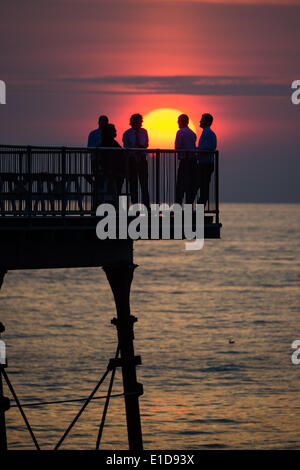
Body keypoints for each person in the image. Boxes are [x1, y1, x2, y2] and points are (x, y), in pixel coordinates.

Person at [94, 124, 125, 206]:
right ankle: (112, 204)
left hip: (114, 172)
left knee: (115, 187)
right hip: (109, 172)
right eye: (114, 131)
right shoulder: (106, 145)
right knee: (111, 188)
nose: (115, 132)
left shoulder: (112, 144)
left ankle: (112, 204)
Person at [122, 113, 150, 207]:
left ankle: (146, 205)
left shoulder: (144, 132)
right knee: (133, 184)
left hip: (142, 159)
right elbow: (126, 147)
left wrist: (140, 148)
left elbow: (146, 144)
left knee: (144, 184)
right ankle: (135, 205)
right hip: (132, 160)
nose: (141, 123)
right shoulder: (127, 133)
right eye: (139, 121)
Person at [175, 114, 197, 204]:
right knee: (190, 185)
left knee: (180, 185)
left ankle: (178, 208)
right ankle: (189, 207)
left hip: (184, 161)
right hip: (193, 161)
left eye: (178, 121)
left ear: (181, 121)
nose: (177, 123)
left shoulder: (180, 132)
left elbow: (177, 147)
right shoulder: (192, 133)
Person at [196, 113, 217, 207]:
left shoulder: (207, 133)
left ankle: (199, 210)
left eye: (202, 120)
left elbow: (207, 148)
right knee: (203, 187)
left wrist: (196, 150)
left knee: (203, 187)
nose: (200, 121)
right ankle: (199, 209)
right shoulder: (209, 133)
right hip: (207, 163)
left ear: (207, 122)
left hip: (205, 164)